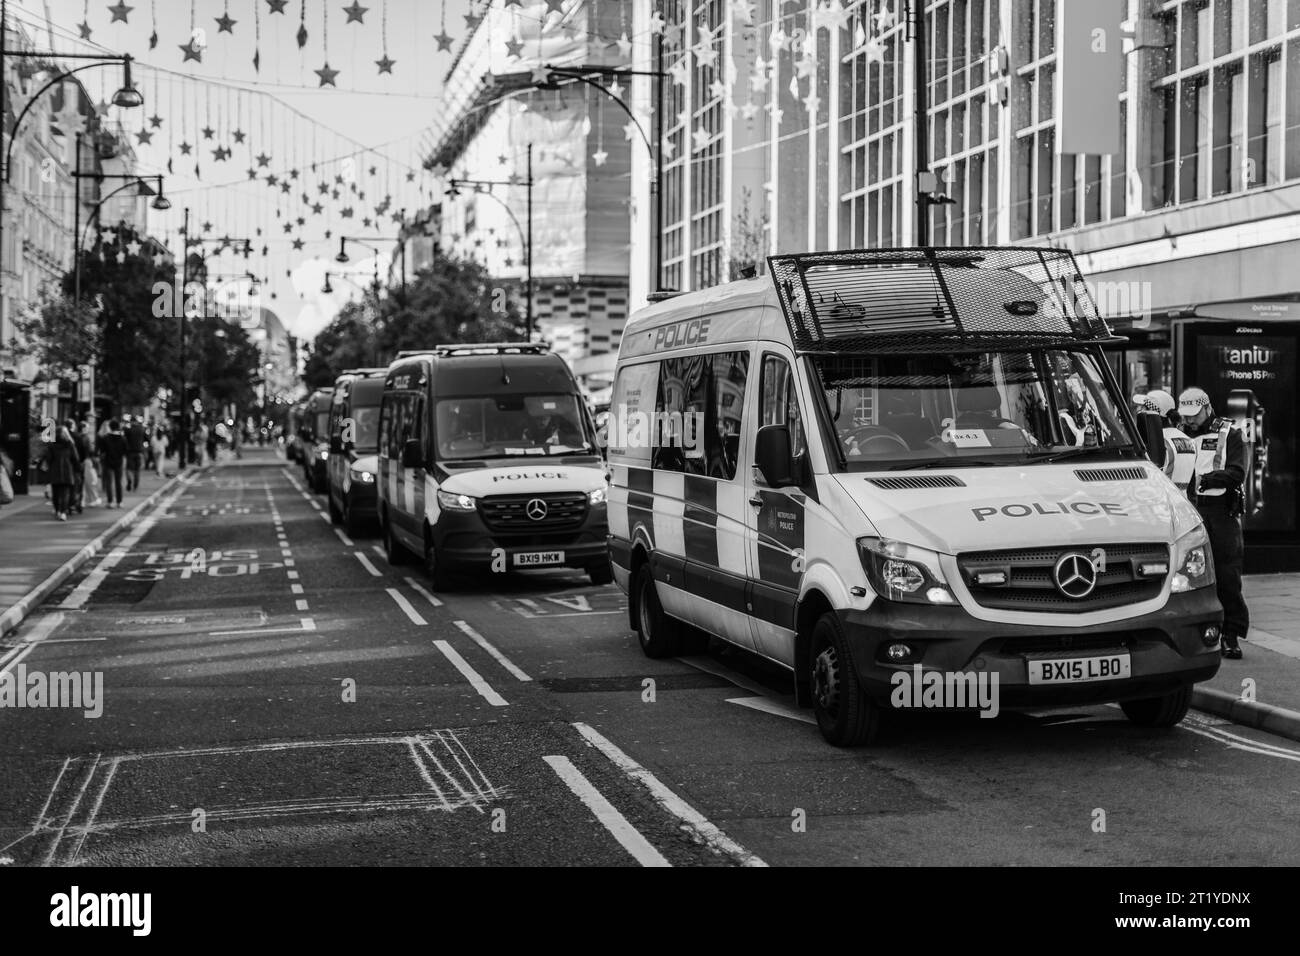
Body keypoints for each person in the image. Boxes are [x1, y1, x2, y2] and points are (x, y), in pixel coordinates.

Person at [1179, 387, 1248, 660]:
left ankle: (1231, 634)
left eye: (1195, 415)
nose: (1191, 421)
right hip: (1189, 511)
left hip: (1220, 513)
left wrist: (1209, 480)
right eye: (1187, 416)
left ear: (1207, 408)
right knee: (1187, 576)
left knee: (1227, 575)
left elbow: (1237, 472)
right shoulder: (1180, 434)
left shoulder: (1229, 433)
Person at [1134, 389, 1196, 494]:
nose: (1138, 410)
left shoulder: (1157, 441)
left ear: (1151, 413)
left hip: (1163, 502)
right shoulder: (1190, 441)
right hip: (1184, 504)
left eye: (1143, 408)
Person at [46, 426, 81, 521]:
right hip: (67, 471)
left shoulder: (52, 445)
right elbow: (75, 458)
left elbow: (48, 459)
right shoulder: (70, 444)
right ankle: (63, 512)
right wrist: (77, 469)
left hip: (55, 472)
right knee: (65, 493)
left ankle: (57, 510)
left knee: (56, 493)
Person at [98, 418, 128, 509]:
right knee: (118, 482)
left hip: (108, 462)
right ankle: (119, 502)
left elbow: (102, 451)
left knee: (109, 483)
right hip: (119, 462)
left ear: (110, 427)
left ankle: (110, 501)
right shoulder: (123, 439)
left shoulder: (105, 438)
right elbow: (125, 451)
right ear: (118, 427)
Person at [124, 413, 147, 492]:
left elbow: (124, 439)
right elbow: (146, 439)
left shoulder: (128, 430)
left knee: (128, 469)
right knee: (137, 470)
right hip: (139, 452)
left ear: (131, 422)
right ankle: (135, 486)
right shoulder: (141, 429)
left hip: (130, 452)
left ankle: (129, 480)